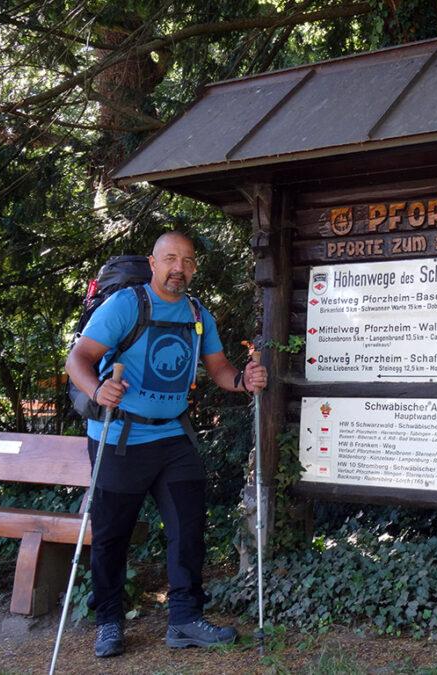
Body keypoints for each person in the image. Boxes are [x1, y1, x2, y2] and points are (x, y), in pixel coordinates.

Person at [65, 231, 267, 658]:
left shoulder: (197, 313)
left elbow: (219, 368)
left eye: (187, 260)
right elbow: (78, 359)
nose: (179, 267)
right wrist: (98, 390)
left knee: (188, 528)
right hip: (119, 438)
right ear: (153, 264)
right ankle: (109, 621)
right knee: (112, 535)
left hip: (173, 436)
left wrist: (243, 380)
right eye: (170, 258)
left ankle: (184, 619)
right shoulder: (126, 305)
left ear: (194, 268)